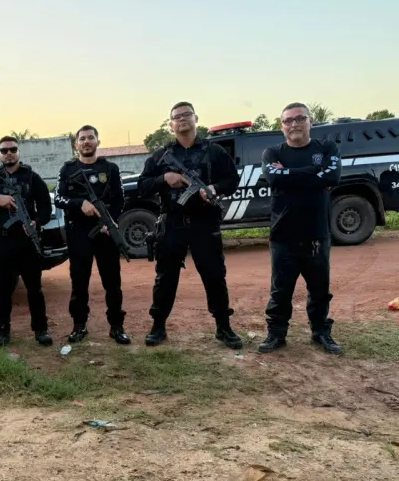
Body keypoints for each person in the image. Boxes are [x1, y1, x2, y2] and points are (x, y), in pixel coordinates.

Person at [138, 101, 242, 349]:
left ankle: (223, 327)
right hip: (172, 223)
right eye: (177, 117)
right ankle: (158, 326)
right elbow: (143, 186)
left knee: (214, 275)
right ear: (171, 124)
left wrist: (214, 188)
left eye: (186, 115)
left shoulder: (214, 151)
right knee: (165, 277)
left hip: (204, 223)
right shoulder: (160, 156)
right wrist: (165, 178)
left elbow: (232, 180)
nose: (182, 119)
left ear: (196, 118)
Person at [258, 102, 343, 354]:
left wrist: (290, 173)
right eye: (288, 121)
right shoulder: (273, 152)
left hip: (317, 234)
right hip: (283, 235)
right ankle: (276, 335)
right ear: (281, 126)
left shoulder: (326, 148)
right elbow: (273, 178)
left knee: (319, 290)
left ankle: (321, 332)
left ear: (310, 122)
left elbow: (332, 176)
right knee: (280, 291)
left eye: (299, 119)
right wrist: (314, 172)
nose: (293, 124)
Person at [54, 125, 131, 345]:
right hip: (79, 232)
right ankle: (79, 325)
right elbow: (58, 198)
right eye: (82, 139)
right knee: (79, 282)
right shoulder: (67, 169)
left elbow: (119, 199)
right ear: (76, 144)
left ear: (98, 142)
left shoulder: (111, 168)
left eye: (90, 138)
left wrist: (110, 221)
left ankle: (116, 326)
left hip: (105, 231)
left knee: (112, 282)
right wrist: (80, 203)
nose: (86, 142)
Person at [0, 135, 53, 347]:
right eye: (4, 150)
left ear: (18, 152)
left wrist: (36, 222)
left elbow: (46, 207)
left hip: (27, 242)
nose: (8, 153)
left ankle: (40, 329)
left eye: (12, 149)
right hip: (2, 242)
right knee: (2, 290)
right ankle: (3, 330)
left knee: (34, 289)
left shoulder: (31, 177)